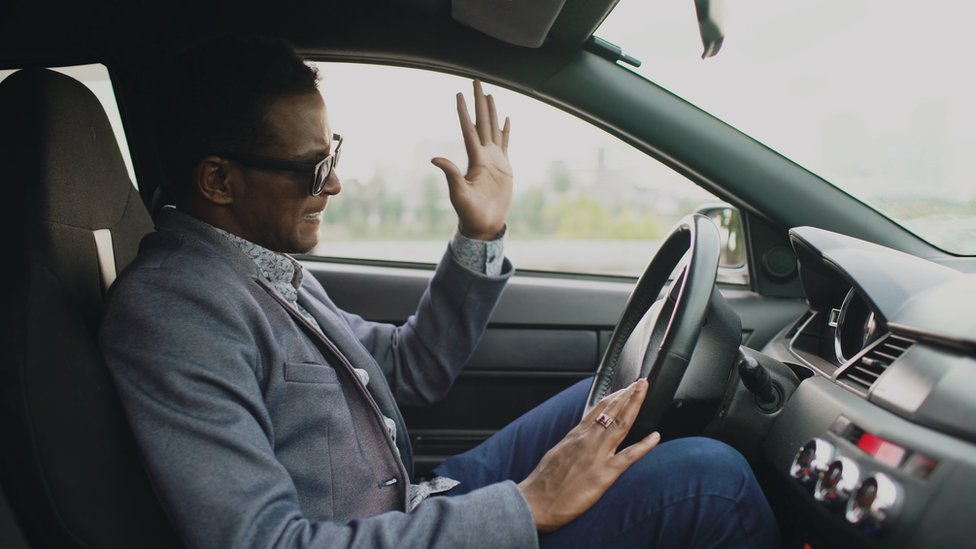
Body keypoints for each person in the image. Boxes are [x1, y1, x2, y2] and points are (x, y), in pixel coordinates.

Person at [100, 35, 779, 548]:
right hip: (393, 529)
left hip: (412, 501)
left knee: (613, 397)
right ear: (218, 179)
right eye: (312, 169)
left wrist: (478, 234)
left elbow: (409, 368)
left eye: (330, 156)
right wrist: (528, 504)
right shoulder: (173, 310)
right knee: (707, 479)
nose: (333, 185)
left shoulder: (258, 269)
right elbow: (264, 541)